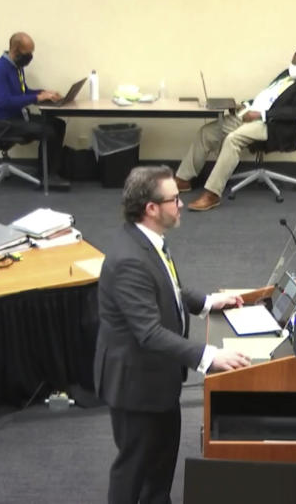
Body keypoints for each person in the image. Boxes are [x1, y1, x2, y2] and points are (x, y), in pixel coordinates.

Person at [95, 165, 251, 504]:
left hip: (158, 377)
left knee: (161, 462)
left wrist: (209, 302)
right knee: (134, 467)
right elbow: (148, 333)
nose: (181, 205)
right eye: (174, 199)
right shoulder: (129, 260)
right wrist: (209, 357)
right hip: (135, 384)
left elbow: (169, 289)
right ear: (151, 208)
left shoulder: (148, 242)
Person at [175, 47, 296, 211]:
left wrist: (261, 114)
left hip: (272, 125)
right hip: (249, 113)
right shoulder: (286, 73)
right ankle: (183, 179)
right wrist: (245, 105)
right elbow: (268, 97)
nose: (294, 66)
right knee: (207, 133)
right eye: (294, 62)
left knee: (233, 139)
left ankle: (212, 193)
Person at [0, 32, 70, 189]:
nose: (30, 56)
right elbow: (4, 102)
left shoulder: (16, 67)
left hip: (16, 117)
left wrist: (43, 93)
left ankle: (47, 171)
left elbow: (22, 93)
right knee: (48, 130)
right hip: (1, 123)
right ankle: (48, 177)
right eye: (28, 53)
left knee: (58, 124)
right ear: (16, 49)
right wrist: (36, 98)